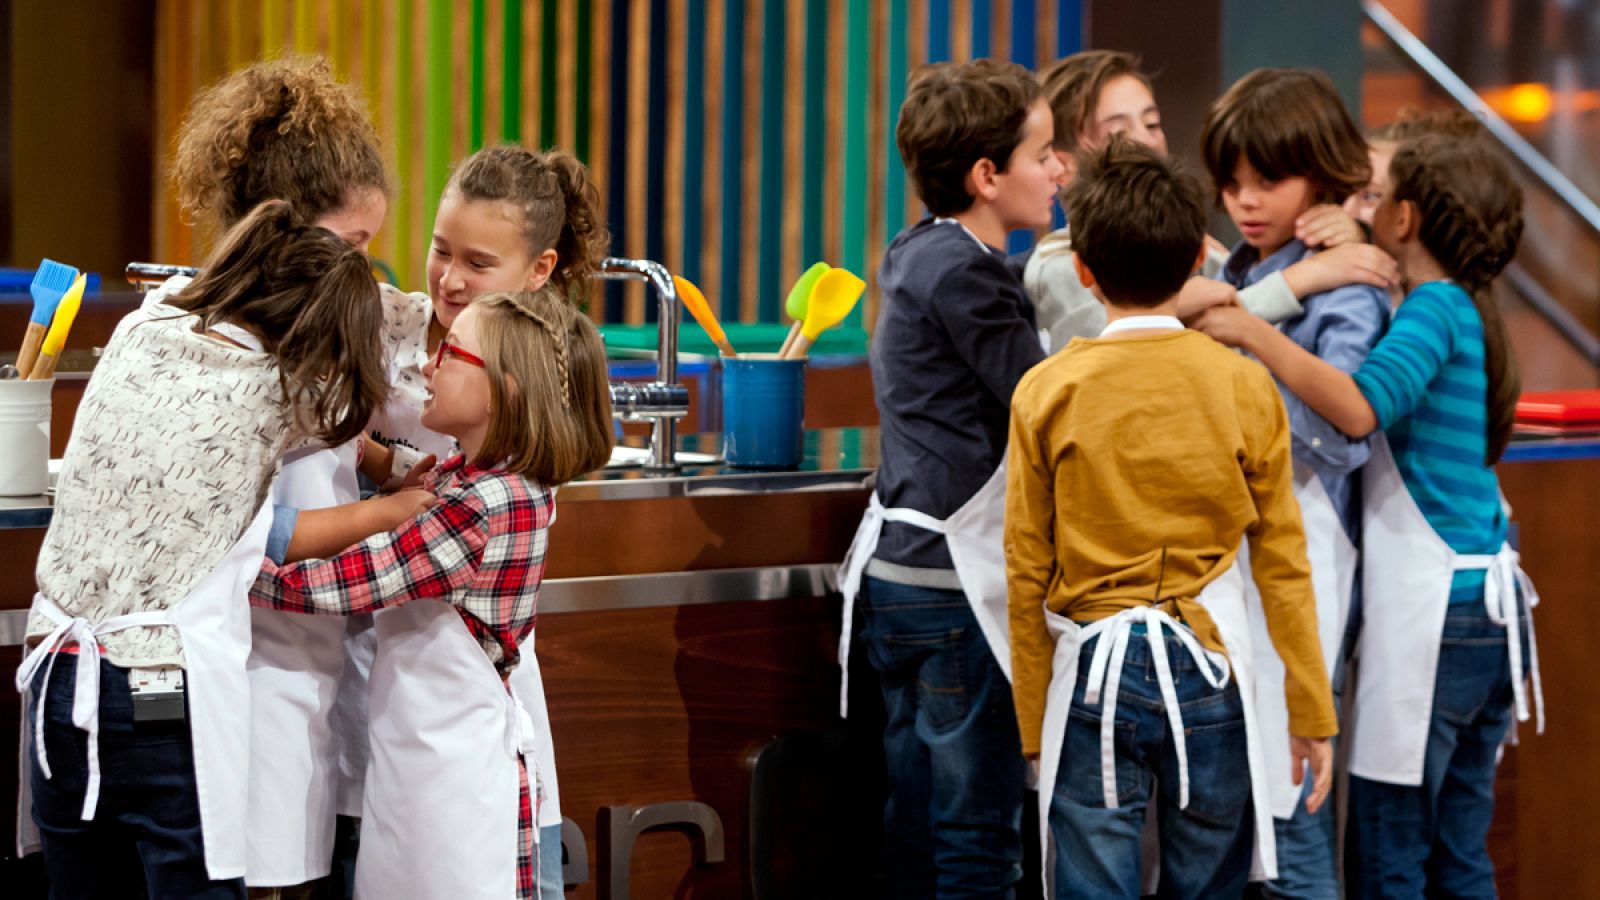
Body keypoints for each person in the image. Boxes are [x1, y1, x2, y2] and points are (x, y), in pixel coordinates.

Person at [1192, 130, 1542, 900]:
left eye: (1375, 199)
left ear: (1407, 220)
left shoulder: (1432, 310)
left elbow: (1356, 408)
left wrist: (1253, 331)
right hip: (1481, 613)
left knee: (1391, 855)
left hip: (1436, 619)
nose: (1359, 210)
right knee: (1459, 851)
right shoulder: (1461, 310)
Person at [16, 199, 393, 899]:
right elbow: (345, 421)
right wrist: (396, 483)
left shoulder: (141, 325)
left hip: (55, 676)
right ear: (314, 342)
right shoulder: (277, 391)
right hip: (153, 690)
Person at [1007, 138, 1337, 899]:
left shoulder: (1046, 390)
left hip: (1092, 676)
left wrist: (1032, 725)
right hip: (1212, 666)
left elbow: (1025, 566)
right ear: (1198, 258)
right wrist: (1310, 709)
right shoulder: (1243, 385)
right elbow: (1284, 560)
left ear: (1083, 270)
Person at [251, 289, 614, 900]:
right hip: (419, 766)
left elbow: (345, 585)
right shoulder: (485, 478)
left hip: (455, 784)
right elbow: (421, 484)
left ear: (505, 389)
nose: (427, 364)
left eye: (452, 354)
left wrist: (234, 572)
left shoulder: (482, 507)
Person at [169, 55, 416, 900]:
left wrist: (395, 467)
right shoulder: (220, 357)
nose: (364, 270)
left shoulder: (317, 342)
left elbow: (342, 447)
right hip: (249, 680)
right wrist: (397, 514)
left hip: (317, 680)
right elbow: (262, 534)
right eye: (351, 246)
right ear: (282, 230)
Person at [346, 143, 608, 899]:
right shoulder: (380, 324)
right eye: (439, 250)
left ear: (539, 272)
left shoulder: (537, 366)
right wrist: (377, 462)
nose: (449, 280)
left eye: (479, 263)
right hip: (363, 680)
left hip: (466, 699)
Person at [835, 58, 1062, 898]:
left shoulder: (916, 251)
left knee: (917, 826)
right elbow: (1041, 401)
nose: (1059, 168)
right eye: (1043, 152)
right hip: (952, 585)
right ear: (986, 175)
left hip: (901, 577)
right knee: (974, 840)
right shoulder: (969, 272)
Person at [1198, 67, 1392, 900]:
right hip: (1228, 571)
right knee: (1234, 814)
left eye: (1268, 180)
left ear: (1322, 175)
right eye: (1232, 182)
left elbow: (1343, 436)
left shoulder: (1348, 280)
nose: (1245, 199)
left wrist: (1248, 341)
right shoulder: (1236, 266)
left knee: (1294, 812)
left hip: (1303, 567)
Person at [1022, 50, 1396, 351]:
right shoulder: (1058, 262)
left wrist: (1356, 235)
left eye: (1152, 124)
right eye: (1119, 132)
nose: (1149, 143)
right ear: (1062, 164)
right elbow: (1128, 338)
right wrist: (1302, 278)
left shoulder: (1206, 252)